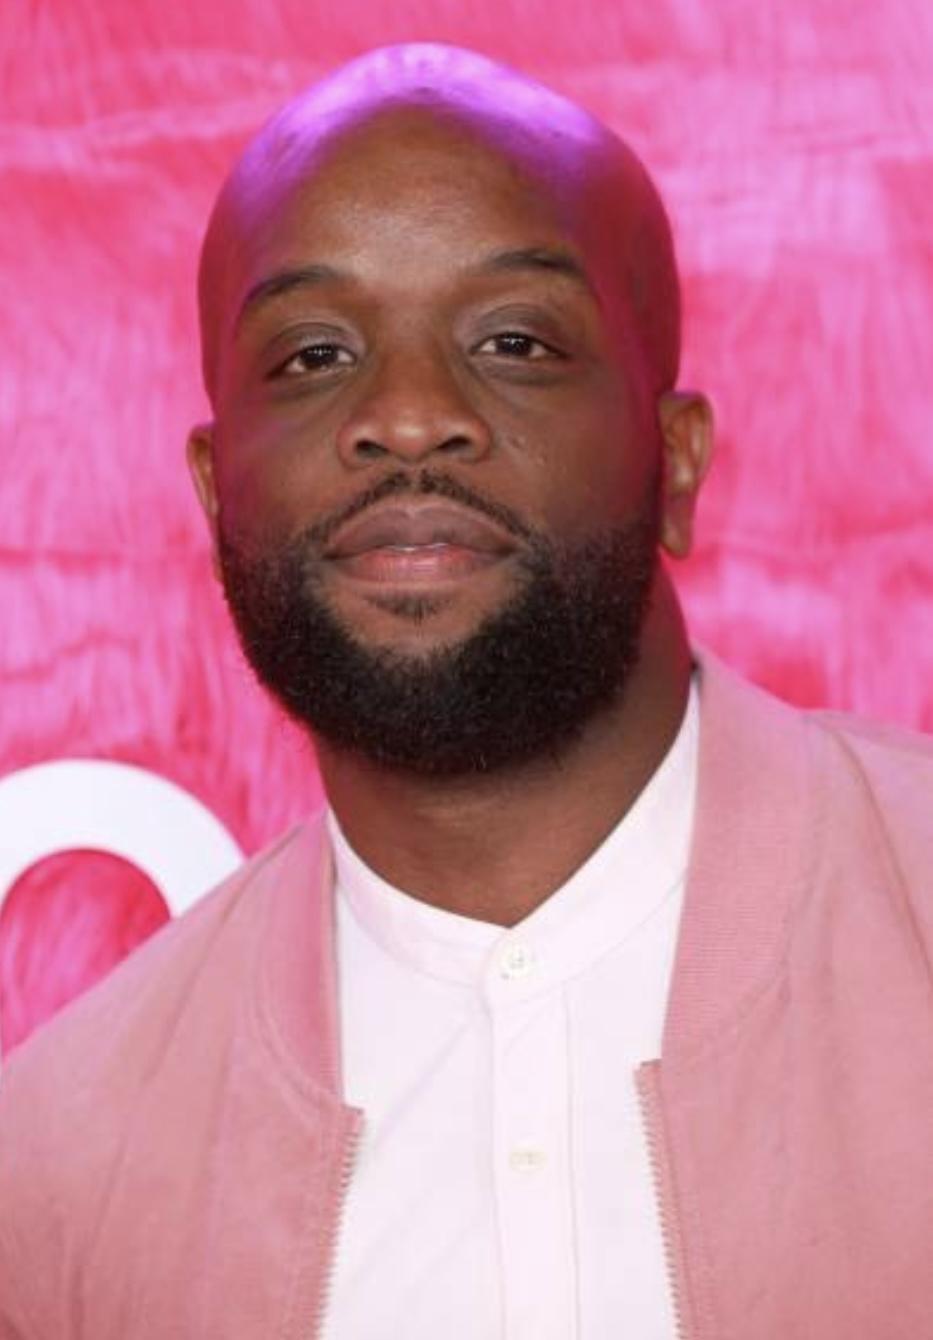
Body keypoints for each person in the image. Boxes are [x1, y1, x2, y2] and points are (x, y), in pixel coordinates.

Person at [1, 42, 931, 1340]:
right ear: (217, 497)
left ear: (673, 462)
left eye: (512, 339)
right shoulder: (57, 1170)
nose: (407, 416)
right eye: (313, 355)